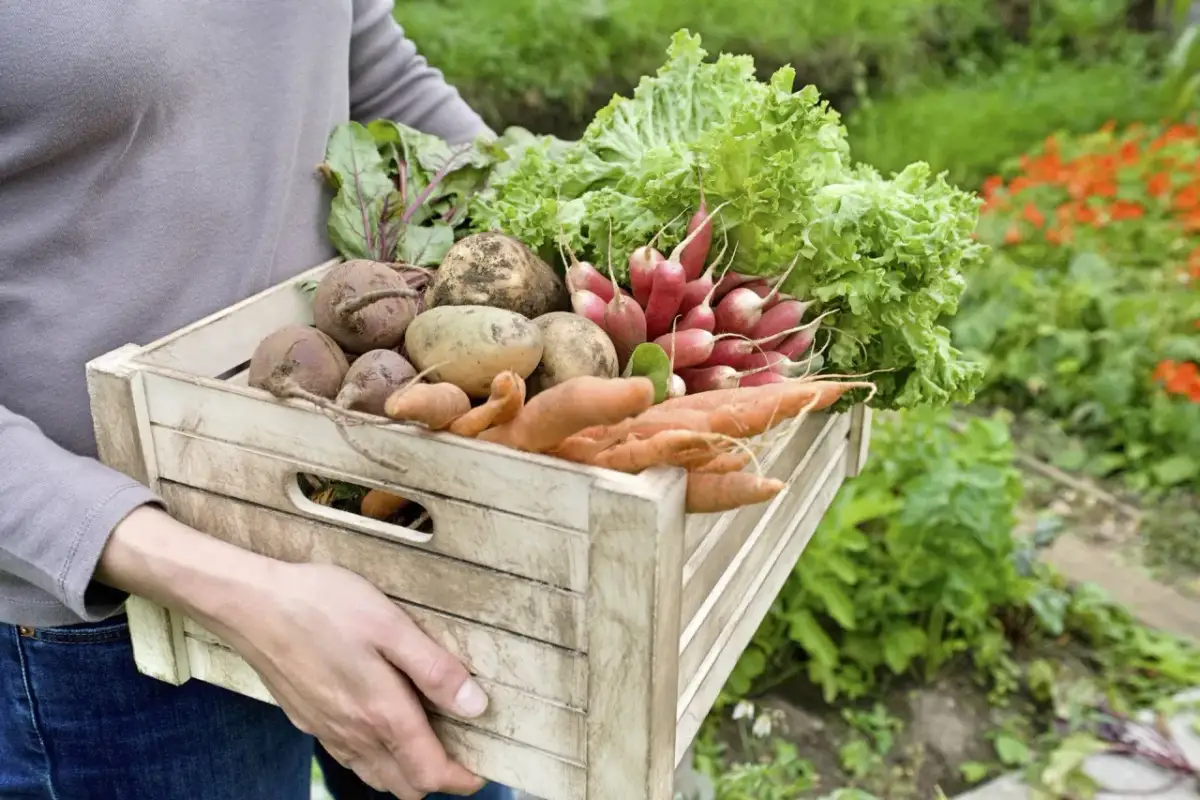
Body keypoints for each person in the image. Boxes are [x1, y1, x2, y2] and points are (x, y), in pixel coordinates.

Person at [0, 3, 514, 799]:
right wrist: (238, 591)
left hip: (378, 491)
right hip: (115, 623)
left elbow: (361, 55)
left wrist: (558, 219)